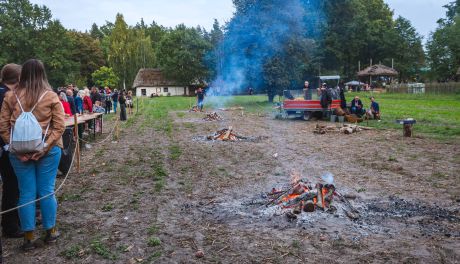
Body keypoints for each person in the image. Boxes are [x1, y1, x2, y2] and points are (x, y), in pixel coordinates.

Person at [0, 59, 65, 251]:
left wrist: (14, 148)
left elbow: (3, 126)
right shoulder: (51, 96)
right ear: (42, 74)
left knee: (26, 193)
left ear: (24, 75)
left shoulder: (11, 96)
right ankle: (50, 232)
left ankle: (28, 237)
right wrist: (43, 149)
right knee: (46, 190)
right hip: (48, 150)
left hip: (19, 153)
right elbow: (59, 126)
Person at [0, 64, 23, 240]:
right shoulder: (4, 95)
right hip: (5, 148)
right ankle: (10, 225)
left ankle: (15, 220)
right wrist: (7, 145)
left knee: (12, 186)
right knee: (11, 186)